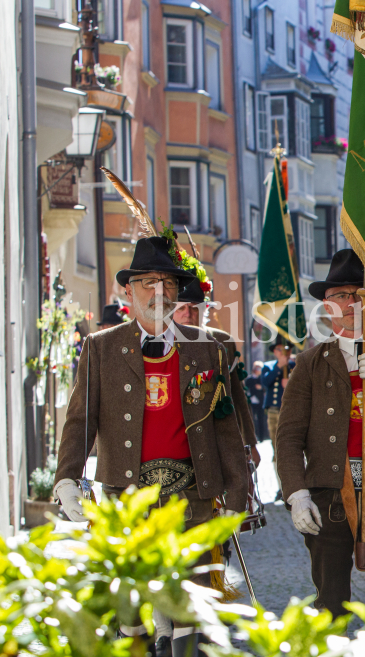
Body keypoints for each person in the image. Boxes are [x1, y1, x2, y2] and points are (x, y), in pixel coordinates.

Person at [52, 236, 247, 656]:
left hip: (193, 498)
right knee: (134, 615)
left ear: (178, 291)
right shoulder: (101, 348)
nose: (158, 292)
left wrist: (238, 492)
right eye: (147, 283)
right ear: (129, 290)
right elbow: (79, 420)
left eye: (167, 283)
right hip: (127, 500)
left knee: (188, 612)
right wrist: (66, 477)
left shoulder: (205, 347)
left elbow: (226, 428)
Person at [275, 249, 365, 616]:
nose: (351, 303)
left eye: (360, 294)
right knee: (330, 605)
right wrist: (296, 493)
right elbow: (289, 436)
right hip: (330, 497)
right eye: (341, 295)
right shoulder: (309, 364)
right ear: (326, 307)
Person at [173, 269, 259, 466]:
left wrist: (251, 443)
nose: (188, 314)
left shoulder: (222, 341)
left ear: (204, 311)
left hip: (219, 435)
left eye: (194, 308)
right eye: (181, 308)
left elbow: (238, 395)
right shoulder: (163, 344)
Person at [245, 361, 268, 443]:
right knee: (252, 419)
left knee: (260, 419)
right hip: (252, 401)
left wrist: (261, 387)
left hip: (260, 402)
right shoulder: (249, 379)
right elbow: (247, 389)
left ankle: (261, 437)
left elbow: (266, 388)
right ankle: (254, 436)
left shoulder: (262, 379)